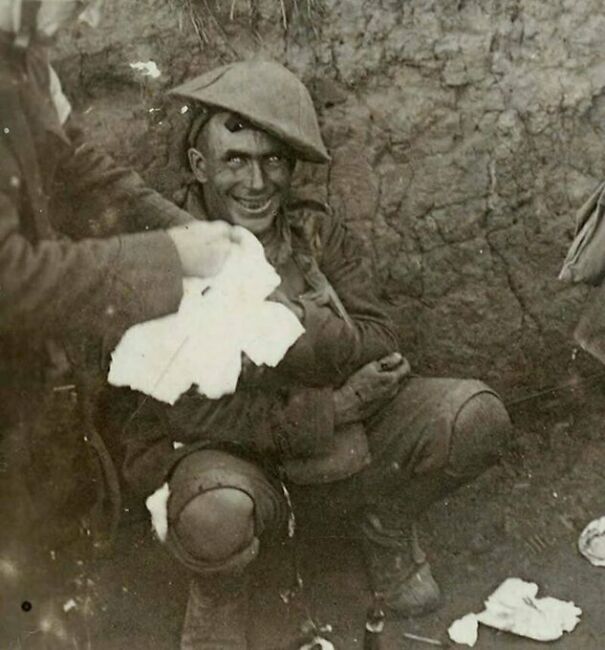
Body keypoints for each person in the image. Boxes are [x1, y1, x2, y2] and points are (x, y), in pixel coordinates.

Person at [121, 60, 513, 649]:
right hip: (233, 460)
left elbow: (382, 338)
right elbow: (188, 412)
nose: (257, 184)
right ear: (200, 167)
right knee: (214, 514)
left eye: (272, 160)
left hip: (336, 449)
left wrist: (292, 339)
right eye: (235, 160)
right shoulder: (164, 260)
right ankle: (222, 590)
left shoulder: (312, 233)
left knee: (472, 416)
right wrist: (335, 398)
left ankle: (383, 524)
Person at [0, 1, 239, 645]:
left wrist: (180, 227)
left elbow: (76, 168)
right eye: (78, 1)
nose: (96, 19)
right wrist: (170, 259)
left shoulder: (21, 60)